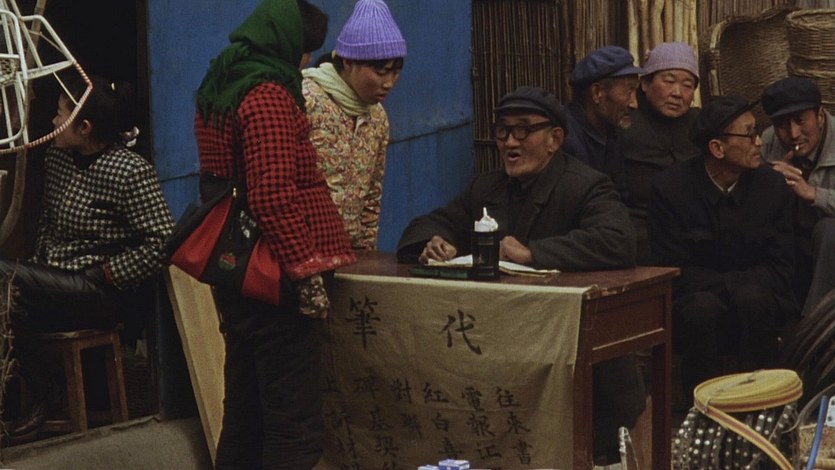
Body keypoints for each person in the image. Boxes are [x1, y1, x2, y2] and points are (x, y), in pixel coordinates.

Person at [397, 86, 646, 465]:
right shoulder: (488, 187)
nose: (510, 143)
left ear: (554, 139)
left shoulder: (585, 185)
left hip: (574, 348)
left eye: (523, 131)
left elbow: (618, 240)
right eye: (503, 132)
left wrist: (533, 254)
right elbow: (430, 224)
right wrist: (432, 243)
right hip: (507, 343)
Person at [193, 1, 356, 468]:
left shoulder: (221, 84)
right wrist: (305, 274)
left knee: (245, 415)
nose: (304, 63)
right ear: (285, 43)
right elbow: (272, 195)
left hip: (237, 268)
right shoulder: (267, 96)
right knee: (292, 425)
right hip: (274, 276)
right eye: (304, 51)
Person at [2, 74, 174, 440]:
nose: (53, 121)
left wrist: (109, 273)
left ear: (84, 127)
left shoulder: (129, 171)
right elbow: (47, 222)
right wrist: (40, 266)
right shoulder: (57, 159)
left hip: (99, 290)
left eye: (60, 114)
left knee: (4, 275)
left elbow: (163, 242)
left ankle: (47, 396)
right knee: (9, 298)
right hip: (56, 282)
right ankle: (35, 395)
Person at [648, 95, 797, 403]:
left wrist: (735, 287)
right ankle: (703, 409)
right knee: (702, 308)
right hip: (695, 299)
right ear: (717, 148)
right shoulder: (670, 190)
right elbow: (671, 268)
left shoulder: (772, 186)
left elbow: (782, 264)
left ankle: (764, 404)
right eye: (749, 135)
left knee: (753, 298)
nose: (759, 142)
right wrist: (730, 286)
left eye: (758, 131)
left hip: (759, 296)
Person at [302, 0, 406, 250]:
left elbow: (371, 199)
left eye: (395, 72)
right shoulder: (307, 100)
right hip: (303, 252)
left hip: (349, 254)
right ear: (348, 62)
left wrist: (365, 256)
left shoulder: (377, 117)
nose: (389, 83)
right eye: (381, 72)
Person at [620, 42, 701, 264]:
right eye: (669, 81)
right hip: (640, 230)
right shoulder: (624, 123)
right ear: (645, 84)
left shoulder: (699, 124)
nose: (677, 93)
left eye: (687, 85)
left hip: (692, 230)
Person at [760, 76, 835, 317]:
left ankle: (814, 321)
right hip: (794, 236)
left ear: (820, 116)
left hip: (827, 239)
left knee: (829, 229)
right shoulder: (768, 141)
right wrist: (769, 183)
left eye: (800, 121)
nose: (793, 133)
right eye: (781, 124)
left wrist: (813, 194)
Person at [563, 45, 643, 196]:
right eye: (628, 92)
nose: (634, 104)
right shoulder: (564, 138)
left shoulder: (611, 132)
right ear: (597, 93)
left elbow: (619, 193)